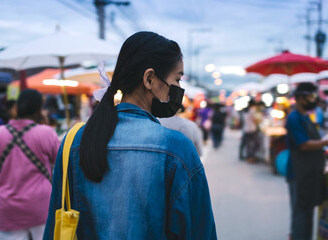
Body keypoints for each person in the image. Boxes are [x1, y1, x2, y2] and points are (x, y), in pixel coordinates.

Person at [44, 31, 216, 239]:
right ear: (150, 78)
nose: (180, 89)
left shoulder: (73, 142)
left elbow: (55, 223)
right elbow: (200, 232)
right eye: (177, 79)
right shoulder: (177, 149)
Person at [0, 89, 60, 240]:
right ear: (39, 109)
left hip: (7, 210)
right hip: (41, 207)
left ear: (17, 107)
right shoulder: (46, 133)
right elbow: (61, 164)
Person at [285, 83, 328, 240]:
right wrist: (327, 142)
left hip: (310, 173)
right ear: (300, 98)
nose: (313, 100)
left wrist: (327, 138)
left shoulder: (306, 116)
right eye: (310, 97)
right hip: (299, 173)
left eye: (314, 96)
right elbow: (304, 144)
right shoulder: (294, 117)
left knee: (307, 213)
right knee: (301, 215)